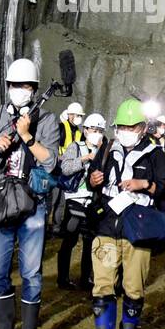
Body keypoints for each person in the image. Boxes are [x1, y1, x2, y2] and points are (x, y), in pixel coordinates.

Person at [0, 57, 60, 329]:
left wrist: (26, 136)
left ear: (35, 89)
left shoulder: (47, 120)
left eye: (26, 86)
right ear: (7, 86)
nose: (20, 90)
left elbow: (50, 162)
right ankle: (4, 326)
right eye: (15, 85)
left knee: (31, 272)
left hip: (32, 204)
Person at [82, 100, 165, 329]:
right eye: (121, 126)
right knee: (103, 284)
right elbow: (92, 179)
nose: (125, 131)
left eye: (130, 127)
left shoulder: (155, 154)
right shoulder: (107, 148)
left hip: (138, 229)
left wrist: (143, 184)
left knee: (134, 286)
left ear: (143, 128)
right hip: (107, 227)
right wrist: (93, 180)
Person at [56, 112, 103, 290]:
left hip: (93, 201)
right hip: (74, 199)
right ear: (85, 130)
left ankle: (85, 279)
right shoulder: (76, 146)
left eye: (99, 130)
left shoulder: (103, 151)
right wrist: (85, 159)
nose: (96, 133)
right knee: (70, 239)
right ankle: (62, 279)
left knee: (90, 240)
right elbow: (65, 168)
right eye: (93, 129)